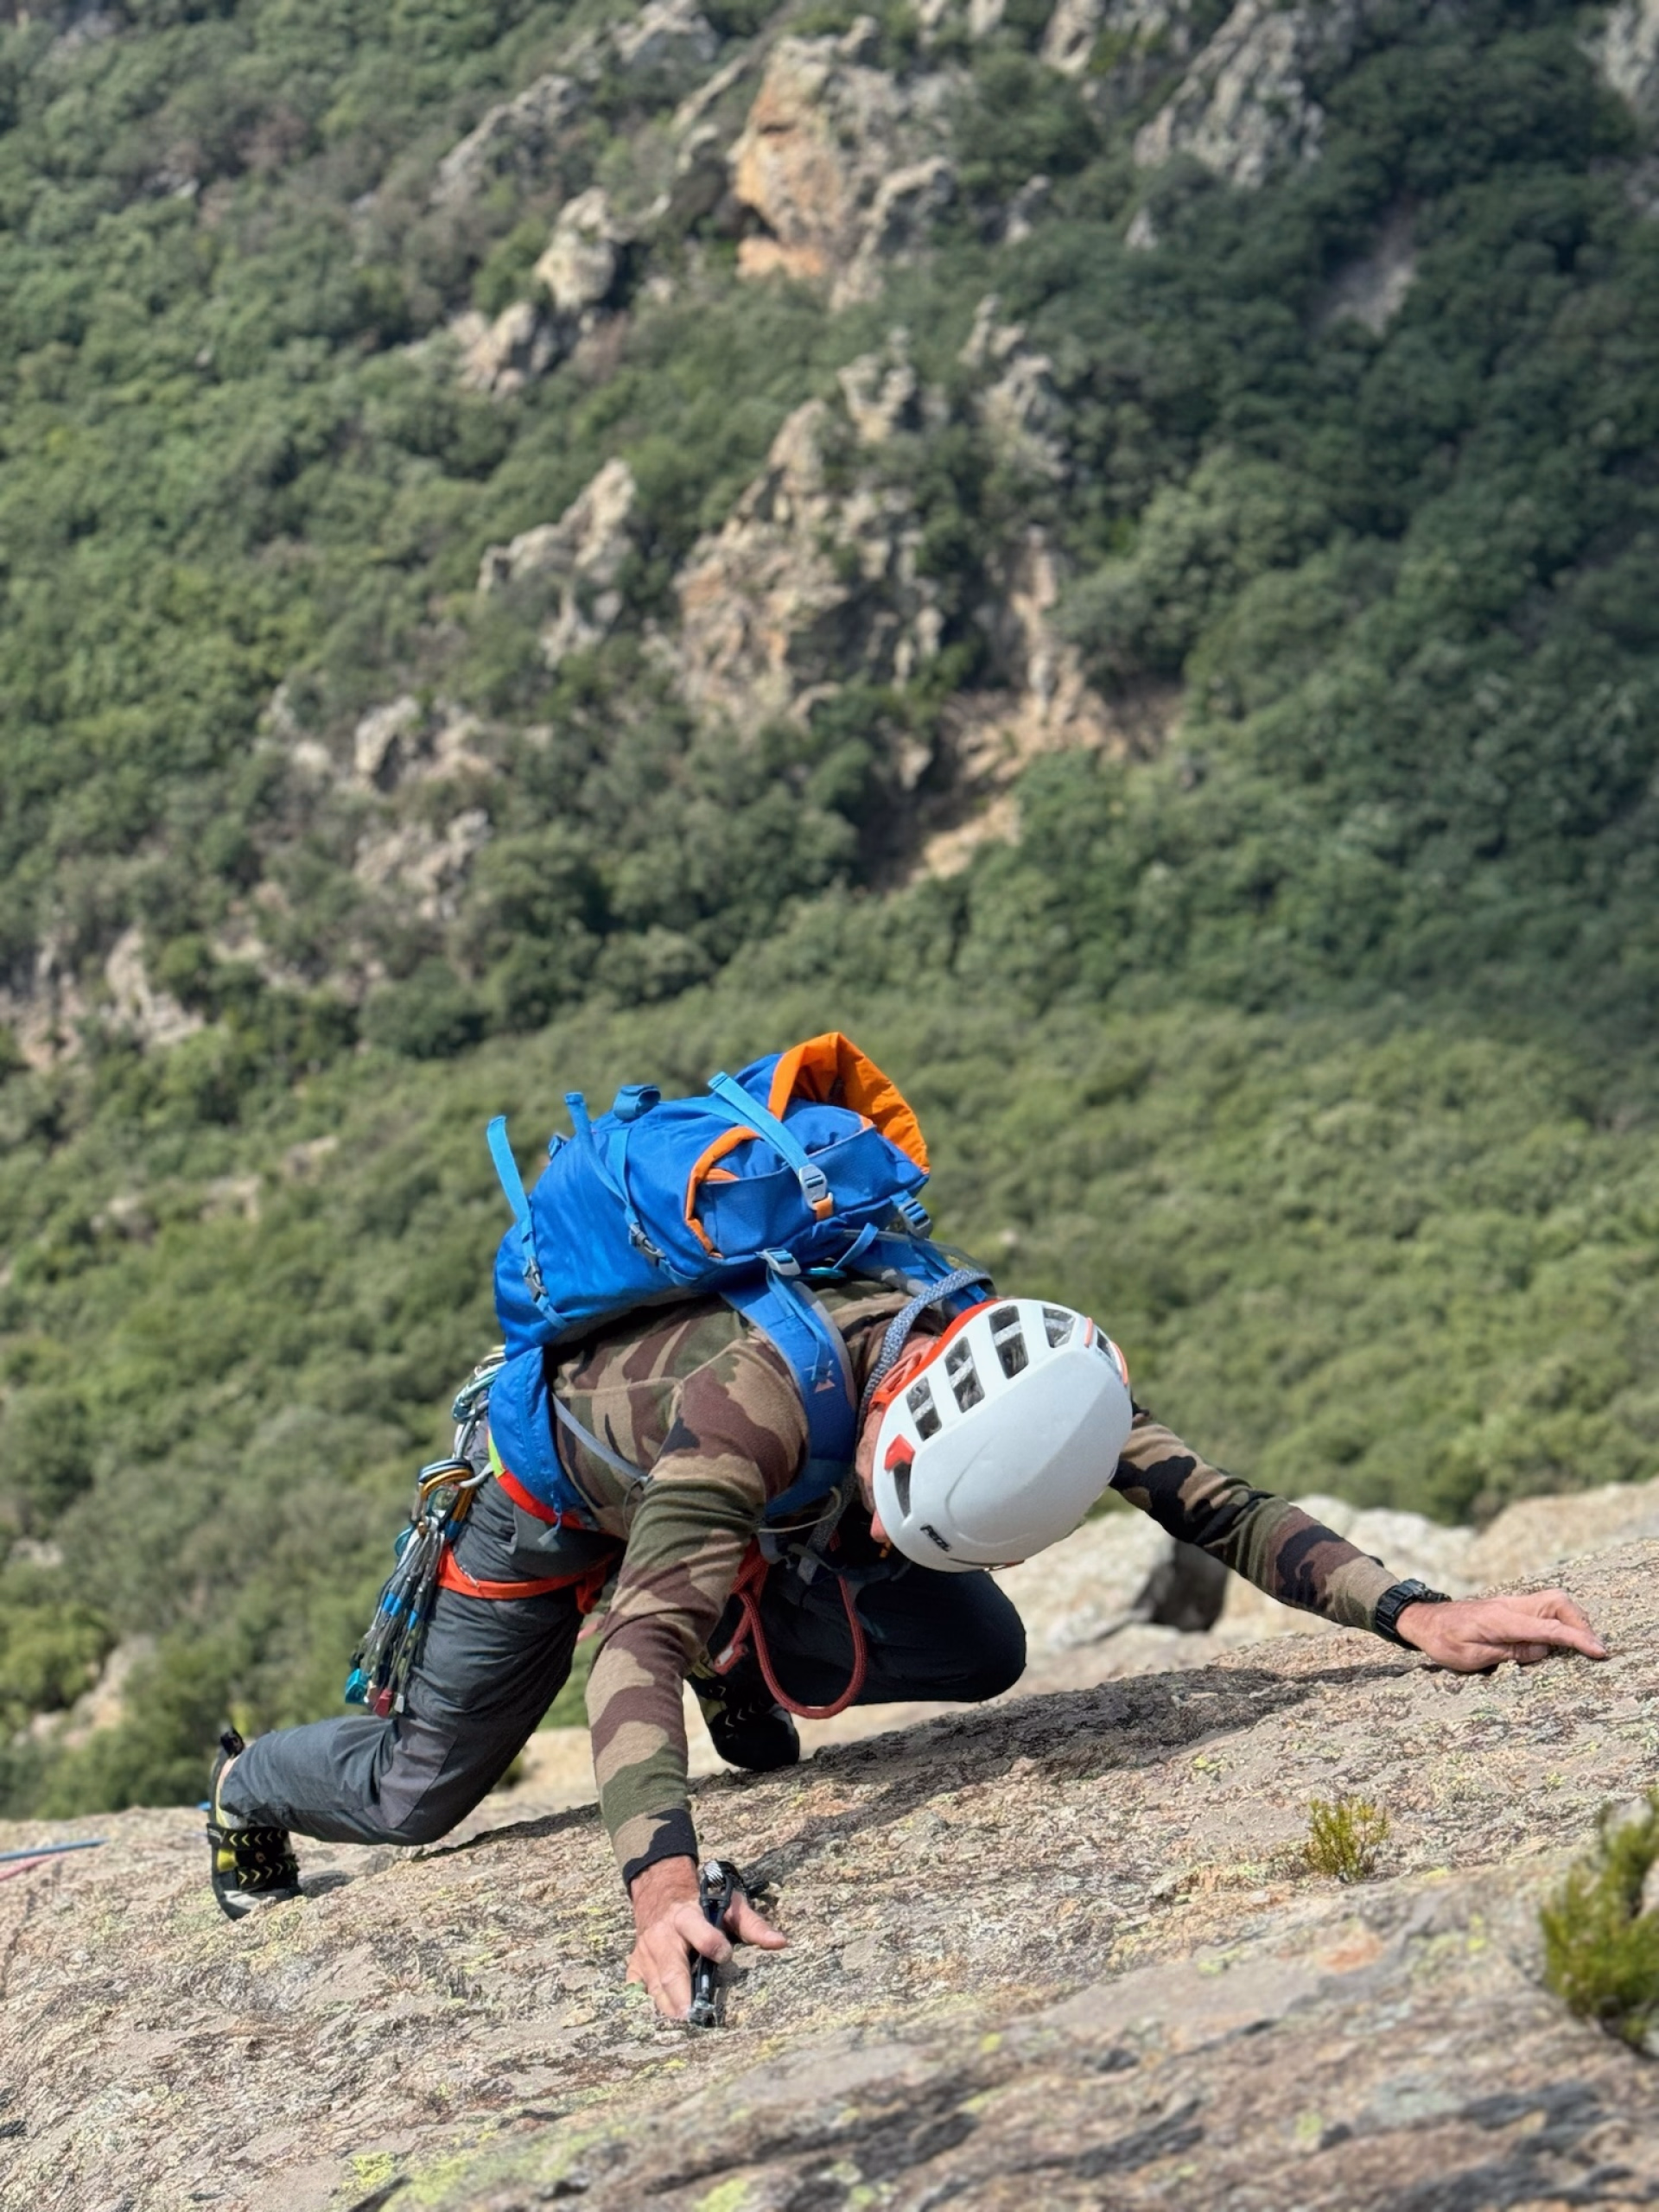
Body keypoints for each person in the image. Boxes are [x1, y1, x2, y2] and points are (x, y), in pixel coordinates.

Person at [207, 1282, 1607, 2019]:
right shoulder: (751, 1410)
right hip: (552, 1507)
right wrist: (662, 1892)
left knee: (983, 1644)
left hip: (762, 1507)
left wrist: (1415, 1610)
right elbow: (627, 1649)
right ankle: (246, 1787)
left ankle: (737, 1636)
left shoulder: (1038, 1376)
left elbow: (1216, 1508)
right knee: (415, 1792)